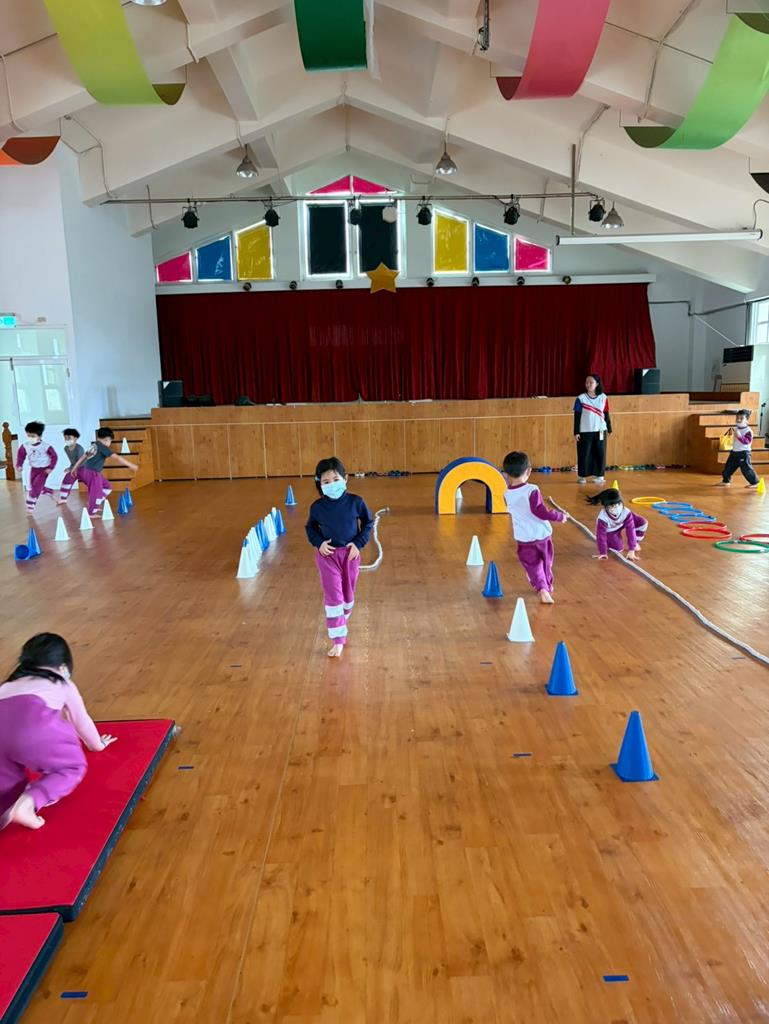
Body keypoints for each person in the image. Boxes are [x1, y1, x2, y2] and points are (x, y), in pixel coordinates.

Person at [0, 633, 117, 832]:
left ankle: (7, 808)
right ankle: (29, 803)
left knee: (7, 785)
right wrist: (97, 744)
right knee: (71, 768)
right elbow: (81, 721)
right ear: (63, 666)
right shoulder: (62, 683)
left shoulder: (7, 686)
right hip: (34, 729)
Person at [305, 457, 374, 657]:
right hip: (328, 557)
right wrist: (319, 543)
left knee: (347, 596)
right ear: (319, 484)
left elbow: (368, 523)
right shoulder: (317, 507)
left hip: (350, 556)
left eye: (335, 480)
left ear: (345, 479)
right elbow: (310, 528)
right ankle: (338, 640)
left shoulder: (356, 502)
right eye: (326, 482)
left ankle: (342, 619)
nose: (331, 485)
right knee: (334, 597)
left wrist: (358, 544)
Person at [502, 450, 566, 604]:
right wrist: (559, 516)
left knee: (532, 565)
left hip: (524, 539)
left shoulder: (506, 494)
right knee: (546, 562)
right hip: (542, 535)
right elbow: (540, 511)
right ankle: (547, 586)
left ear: (506, 474)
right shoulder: (532, 489)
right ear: (529, 471)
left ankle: (542, 588)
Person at [70, 427, 138, 516]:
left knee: (107, 487)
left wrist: (74, 468)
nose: (110, 443)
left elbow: (83, 457)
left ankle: (94, 504)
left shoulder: (94, 445)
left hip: (88, 471)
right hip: (92, 473)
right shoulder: (102, 447)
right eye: (110, 441)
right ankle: (91, 512)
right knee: (95, 492)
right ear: (107, 439)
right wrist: (130, 465)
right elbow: (117, 457)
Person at [586, 488, 647, 561]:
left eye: (615, 506)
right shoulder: (602, 518)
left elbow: (631, 530)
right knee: (618, 548)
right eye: (609, 507)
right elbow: (601, 536)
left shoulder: (626, 512)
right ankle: (610, 541)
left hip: (622, 523)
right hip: (611, 530)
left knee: (643, 522)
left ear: (620, 503)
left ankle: (635, 542)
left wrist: (632, 550)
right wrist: (603, 552)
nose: (613, 509)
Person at [573, 373, 612, 485]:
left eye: (591, 382)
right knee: (583, 453)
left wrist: (609, 428)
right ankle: (582, 476)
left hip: (600, 430)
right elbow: (577, 416)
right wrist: (576, 432)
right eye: (587, 382)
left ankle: (600, 475)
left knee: (600, 453)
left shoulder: (603, 397)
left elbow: (606, 413)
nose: (588, 384)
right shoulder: (580, 398)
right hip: (585, 431)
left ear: (597, 384)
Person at [15, 420, 58, 514]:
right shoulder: (25, 446)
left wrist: (51, 467)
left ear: (40, 436)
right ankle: (48, 491)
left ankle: (30, 506)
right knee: (34, 486)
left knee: (35, 489)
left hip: (44, 470)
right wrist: (19, 465)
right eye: (29, 435)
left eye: (33, 436)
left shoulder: (46, 446)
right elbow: (21, 456)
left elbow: (54, 456)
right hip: (34, 469)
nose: (31, 438)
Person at [718, 409, 760, 488]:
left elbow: (746, 441)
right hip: (734, 452)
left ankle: (755, 482)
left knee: (746, 469)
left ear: (747, 420)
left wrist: (739, 436)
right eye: (737, 418)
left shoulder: (748, 431)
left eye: (741, 418)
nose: (738, 420)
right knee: (728, 467)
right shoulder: (736, 428)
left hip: (743, 453)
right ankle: (726, 481)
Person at [58, 427, 85, 504]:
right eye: (65, 438)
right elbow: (73, 461)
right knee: (66, 480)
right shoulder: (66, 448)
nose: (67, 440)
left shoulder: (79, 448)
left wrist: (71, 468)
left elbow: (81, 462)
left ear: (75, 438)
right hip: (74, 468)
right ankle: (63, 498)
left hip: (83, 468)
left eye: (69, 438)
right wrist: (70, 468)